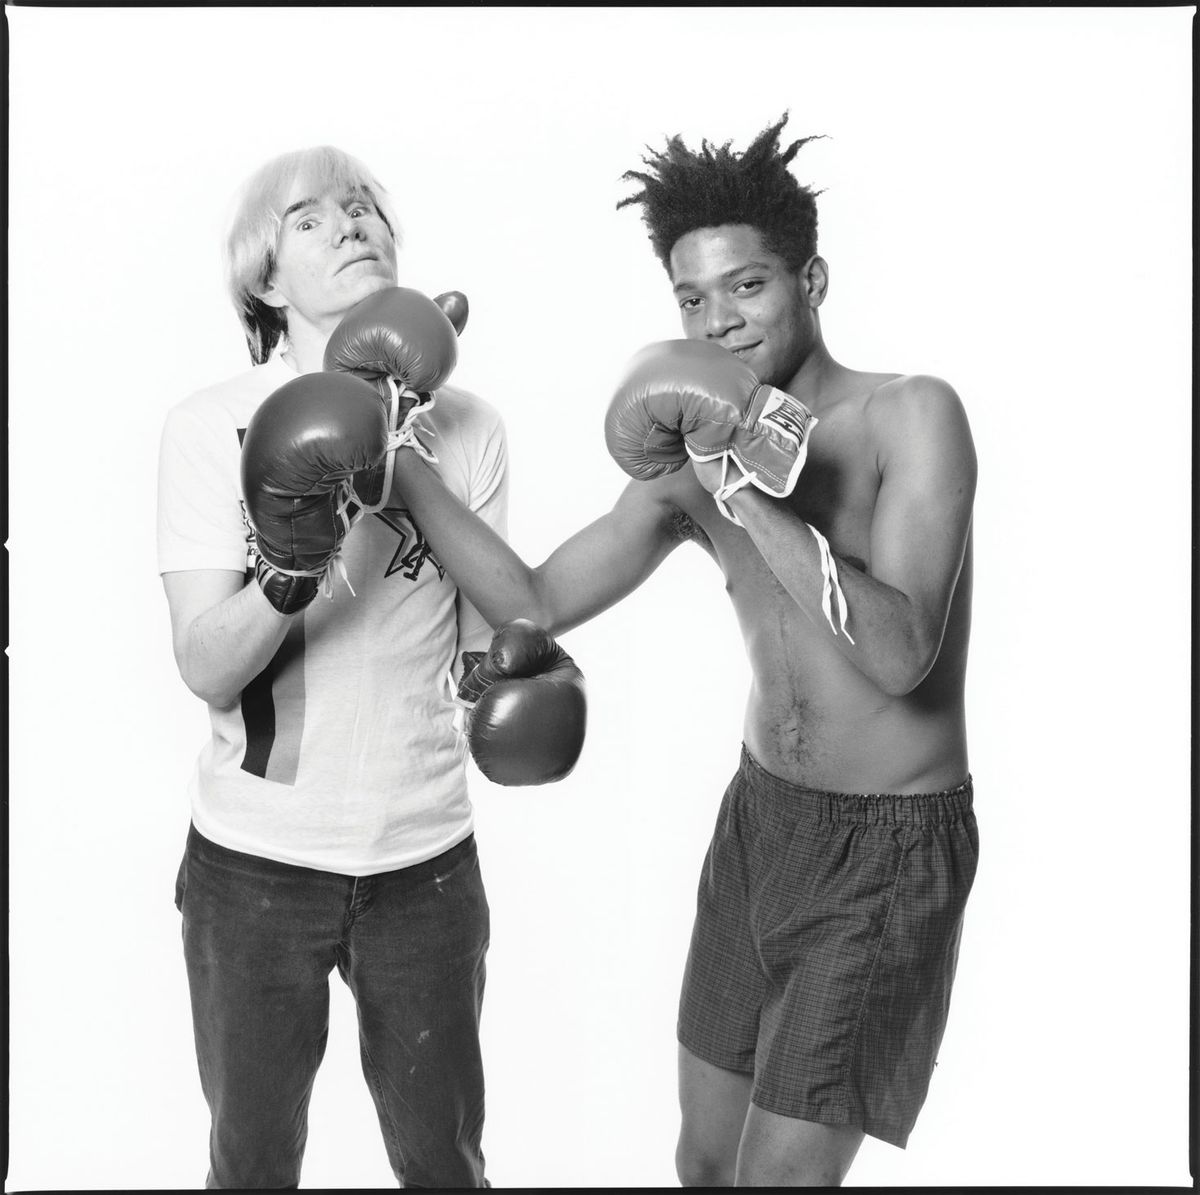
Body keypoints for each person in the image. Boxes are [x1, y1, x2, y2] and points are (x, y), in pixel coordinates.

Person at [386, 114, 980, 1187]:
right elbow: (536, 594)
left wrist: (743, 485)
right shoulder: (688, 457)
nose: (720, 321)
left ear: (813, 279)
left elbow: (901, 655)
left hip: (887, 854)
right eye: (692, 300)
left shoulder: (911, 417)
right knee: (704, 1165)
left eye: (747, 287)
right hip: (760, 824)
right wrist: (401, 461)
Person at [156, 145, 583, 1189]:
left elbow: (484, 644)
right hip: (254, 864)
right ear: (265, 277)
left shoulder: (471, 427)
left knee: (444, 1164)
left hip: (424, 861)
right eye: (311, 217)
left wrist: (519, 683)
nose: (352, 226)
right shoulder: (215, 423)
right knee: (252, 1167)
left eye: (364, 210)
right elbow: (205, 666)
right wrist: (292, 566)